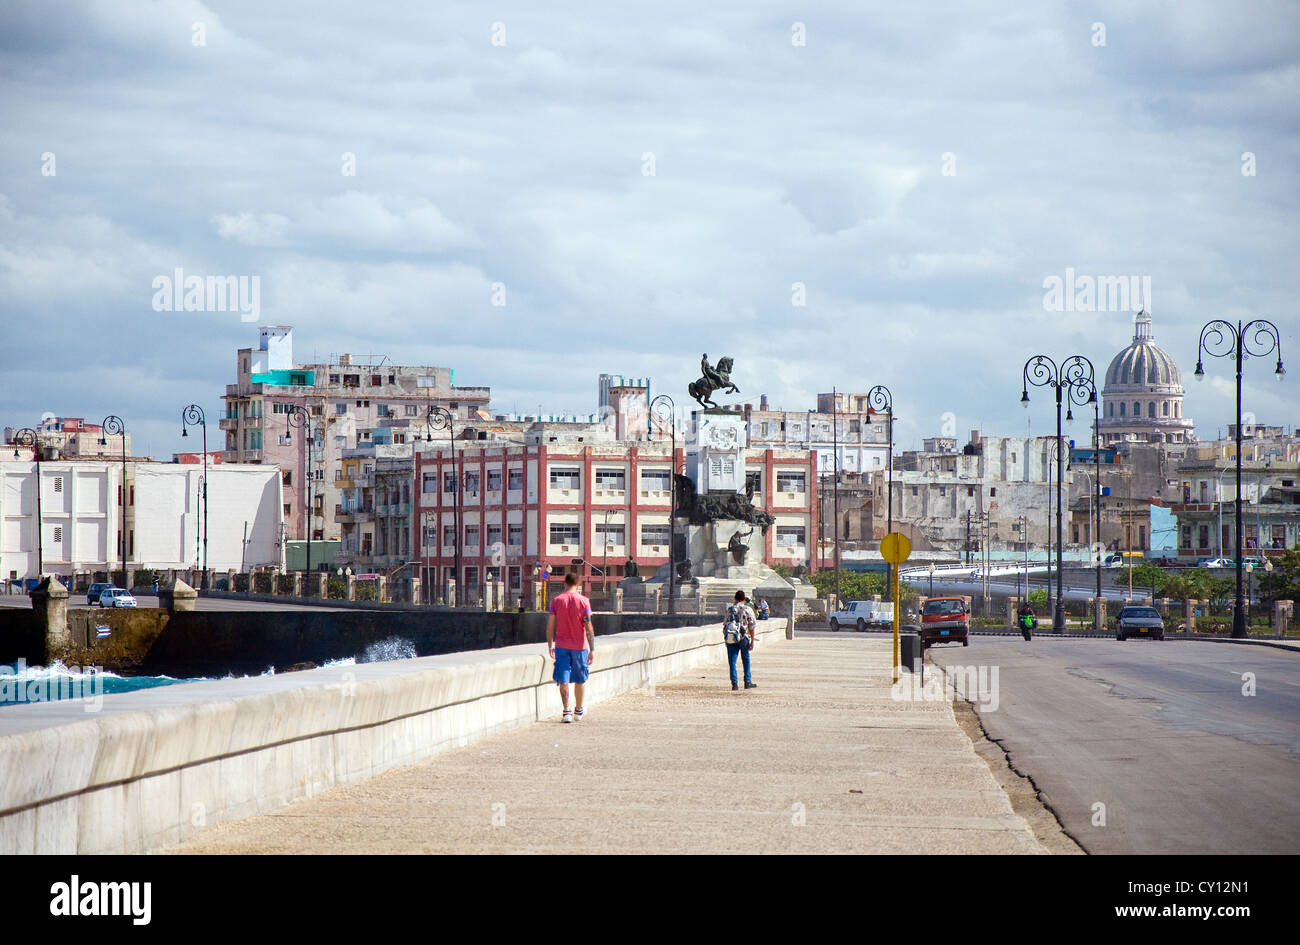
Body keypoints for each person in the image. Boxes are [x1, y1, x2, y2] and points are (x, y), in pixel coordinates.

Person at [546, 573, 596, 722]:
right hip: (580, 647)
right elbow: (589, 627)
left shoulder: (556, 601)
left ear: (565, 583)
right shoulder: (584, 601)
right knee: (580, 679)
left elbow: (550, 627)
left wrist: (550, 645)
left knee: (563, 679)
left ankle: (566, 711)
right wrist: (592, 649)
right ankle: (578, 711)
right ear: (578, 584)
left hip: (561, 646)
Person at [723, 590, 757, 691]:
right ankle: (747, 681)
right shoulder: (747, 609)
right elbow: (752, 626)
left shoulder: (730, 609)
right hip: (743, 637)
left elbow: (725, 624)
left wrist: (726, 639)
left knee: (732, 661)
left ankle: (734, 684)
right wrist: (752, 641)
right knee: (745, 659)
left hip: (731, 636)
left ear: (735, 598)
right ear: (744, 599)